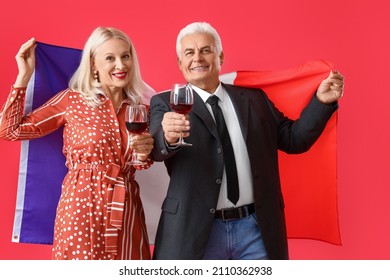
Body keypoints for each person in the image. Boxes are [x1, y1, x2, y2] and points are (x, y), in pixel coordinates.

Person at [149, 22, 344, 260]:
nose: (197, 58)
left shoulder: (255, 99)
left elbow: (294, 140)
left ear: (220, 56)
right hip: (196, 230)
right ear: (180, 63)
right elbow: (156, 150)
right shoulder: (165, 103)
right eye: (189, 53)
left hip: (256, 229)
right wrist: (167, 137)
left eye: (205, 50)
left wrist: (322, 102)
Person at [0, 27, 155, 260]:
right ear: (93, 63)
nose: (121, 65)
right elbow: (9, 130)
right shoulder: (72, 101)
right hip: (82, 206)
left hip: (125, 207)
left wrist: (144, 154)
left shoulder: (141, 111)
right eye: (110, 58)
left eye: (125, 56)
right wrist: (24, 76)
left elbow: (142, 162)